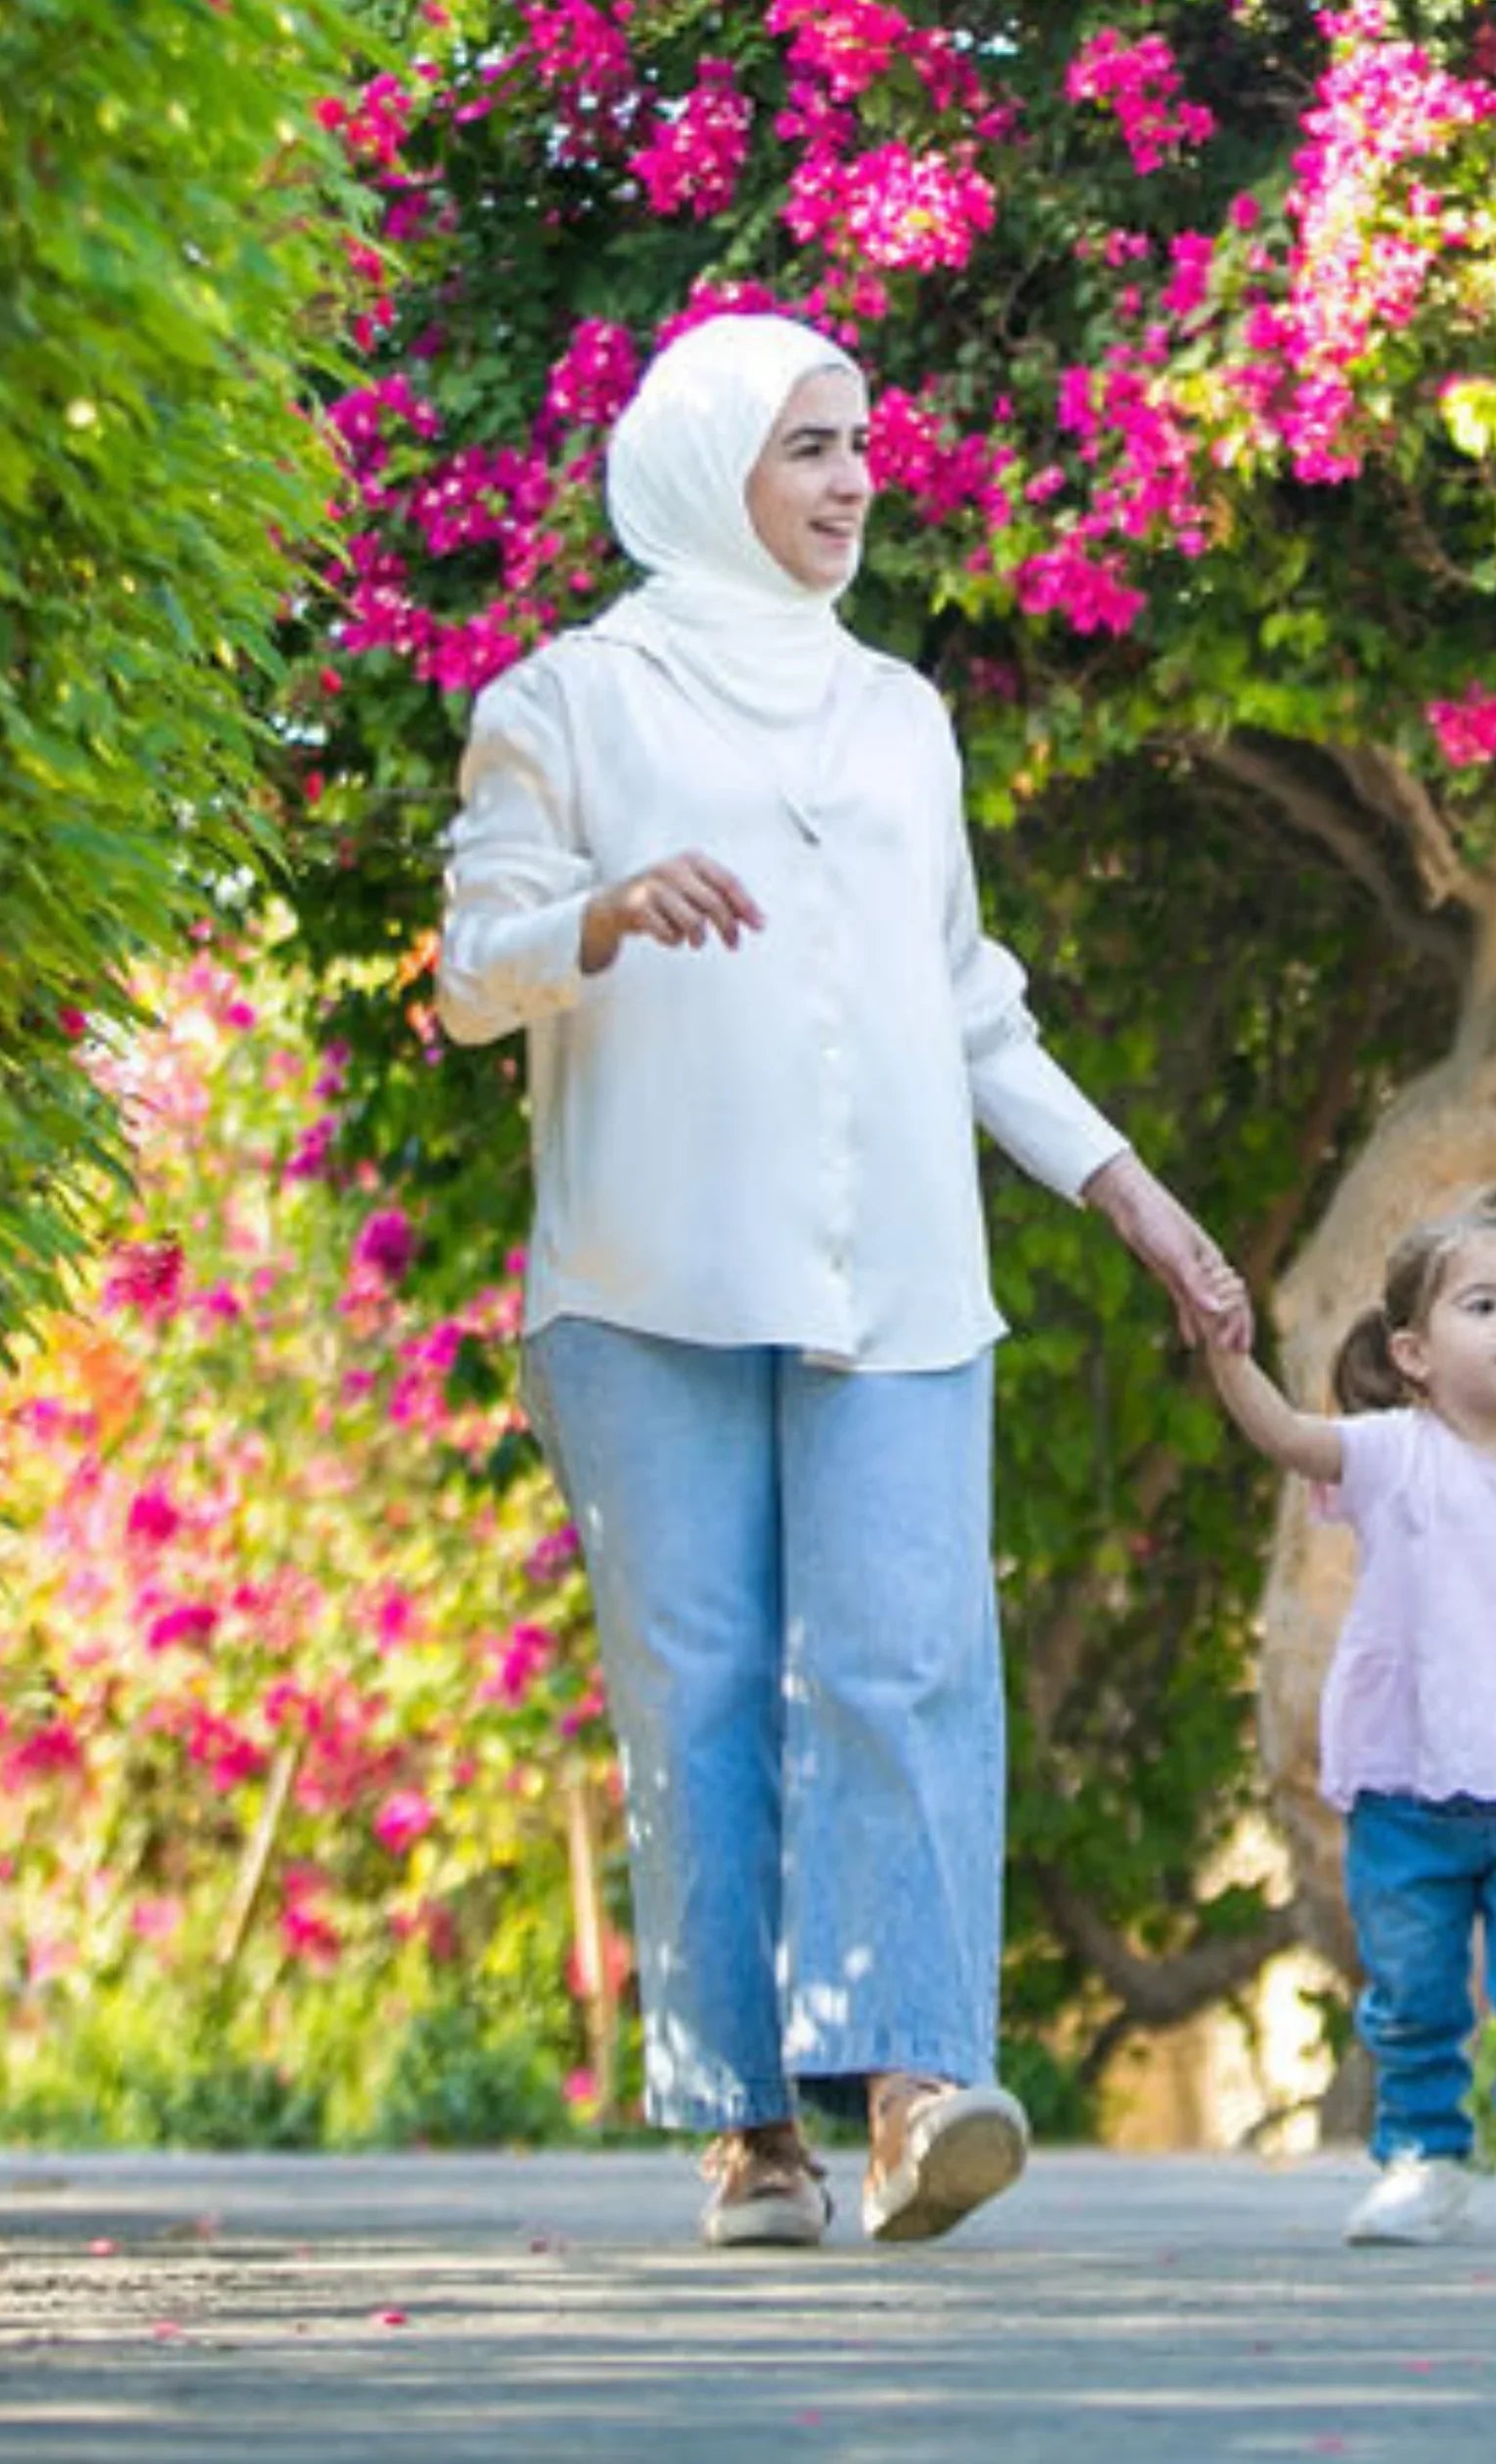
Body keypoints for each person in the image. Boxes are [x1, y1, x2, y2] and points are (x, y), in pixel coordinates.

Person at [435, 312, 1247, 2251]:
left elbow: (963, 995)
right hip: (643, 1275)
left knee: (903, 1657)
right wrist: (605, 912)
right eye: (804, 445)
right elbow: (472, 969)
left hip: (896, 1267)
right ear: (705, 465)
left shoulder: (897, 714)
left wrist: (1128, 1189)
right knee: (700, 1687)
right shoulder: (569, 699)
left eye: (857, 441)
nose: (848, 478)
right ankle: (745, 2127)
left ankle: (905, 2085)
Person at [1193, 1194, 1496, 2248]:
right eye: (1482, 1303)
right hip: (1407, 1786)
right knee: (1411, 1989)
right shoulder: (1393, 1452)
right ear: (1411, 1350)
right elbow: (1281, 1433)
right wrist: (1227, 1354)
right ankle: (1422, 2157)